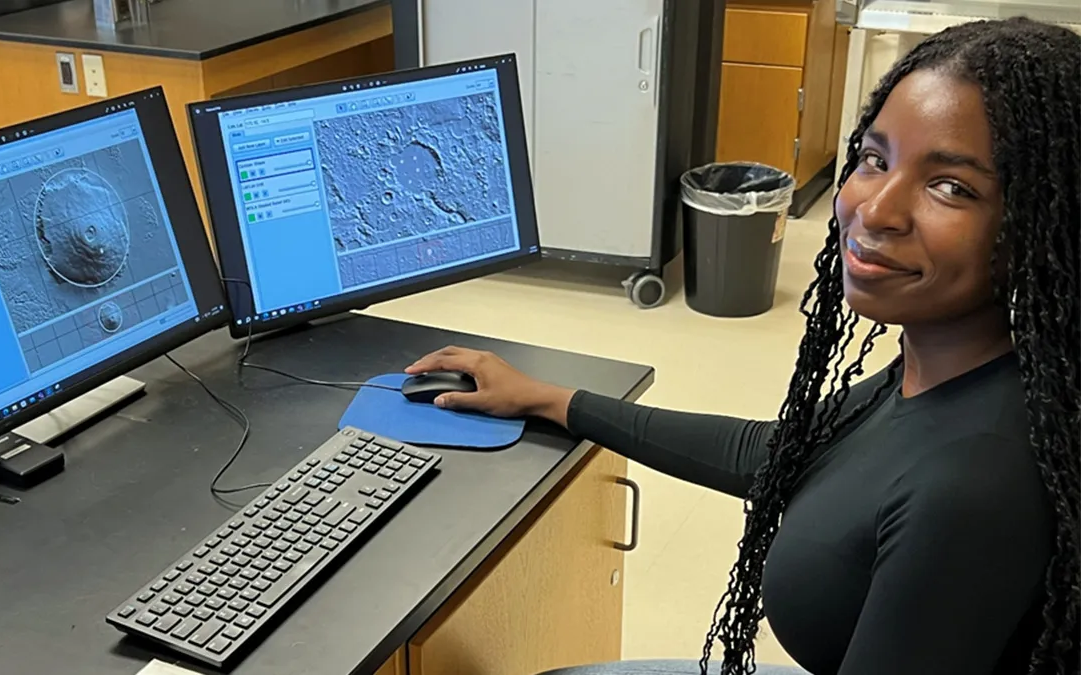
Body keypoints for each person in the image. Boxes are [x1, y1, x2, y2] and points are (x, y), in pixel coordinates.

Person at [405, 17, 1079, 675]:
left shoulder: (971, 486)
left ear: (1047, 222)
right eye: (876, 159)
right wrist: (555, 400)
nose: (875, 209)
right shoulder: (955, 366)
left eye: (950, 186)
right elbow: (785, 450)